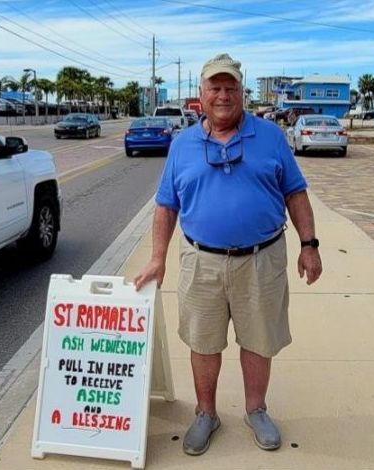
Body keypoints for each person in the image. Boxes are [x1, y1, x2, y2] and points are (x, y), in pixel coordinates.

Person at [133, 53, 322, 456]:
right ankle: (206, 413)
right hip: (201, 261)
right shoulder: (182, 145)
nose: (222, 95)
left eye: (230, 87)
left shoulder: (270, 137)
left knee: (258, 340)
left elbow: (295, 193)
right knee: (203, 342)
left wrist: (309, 245)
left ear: (242, 92)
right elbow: (166, 206)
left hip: (262, 258)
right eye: (214, 88)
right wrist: (157, 257)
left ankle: (256, 409)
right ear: (200, 95)